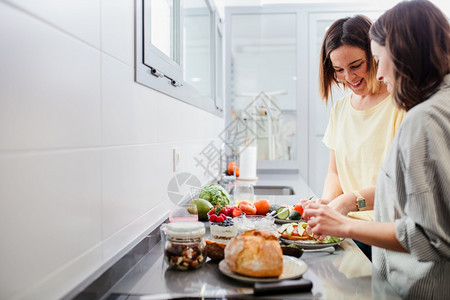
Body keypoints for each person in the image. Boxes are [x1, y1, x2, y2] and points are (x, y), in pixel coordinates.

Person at [303, 1, 450, 298]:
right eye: (339, 70)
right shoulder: (434, 105)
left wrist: (345, 215)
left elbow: (426, 235)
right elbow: (339, 171)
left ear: (403, 54)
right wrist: (329, 208)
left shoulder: (419, 115)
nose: (379, 74)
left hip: (411, 274)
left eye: (374, 59)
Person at [314, 15, 405, 259]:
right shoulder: (340, 109)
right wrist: (327, 204)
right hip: (349, 234)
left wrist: (346, 202)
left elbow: (399, 185)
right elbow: (334, 173)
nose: (349, 77)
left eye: (356, 65)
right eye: (339, 70)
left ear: (375, 54)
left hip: (387, 236)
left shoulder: (401, 105)